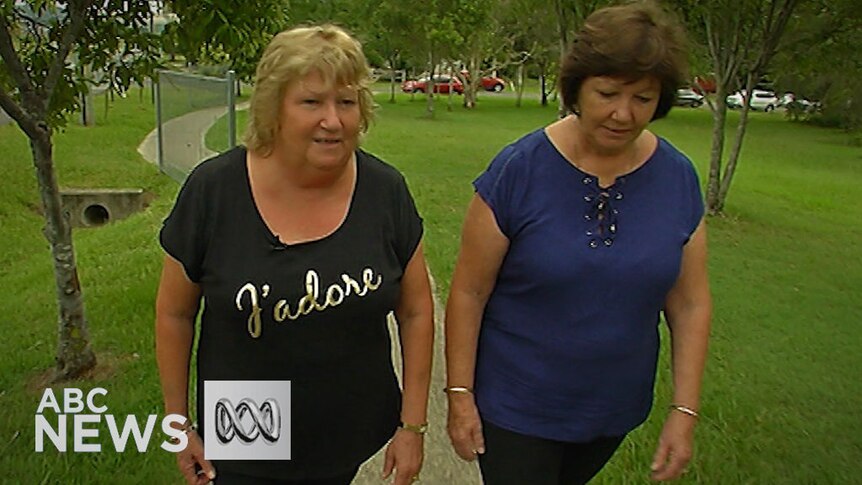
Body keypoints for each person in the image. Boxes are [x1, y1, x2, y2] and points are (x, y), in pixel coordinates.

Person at [444, 3, 712, 484]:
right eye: (607, 93)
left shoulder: (678, 178)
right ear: (577, 87)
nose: (623, 114)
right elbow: (469, 292)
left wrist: (684, 410)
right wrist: (460, 393)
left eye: (643, 98)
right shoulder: (518, 170)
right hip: (517, 405)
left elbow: (690, 303)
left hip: (611, 410)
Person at [155, 25, 434, 485]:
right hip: (248, 423)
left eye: (346, 102)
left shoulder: (385, 191)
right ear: (274, 109)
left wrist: (412, 426)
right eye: (311, 102)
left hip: (348, 426)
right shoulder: (214, 191)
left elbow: (418, 310)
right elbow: (174, 313)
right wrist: (178, 424)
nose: (334, 120)